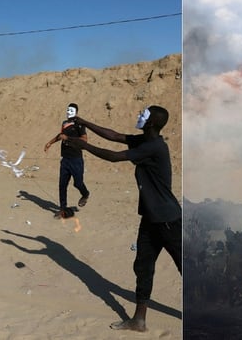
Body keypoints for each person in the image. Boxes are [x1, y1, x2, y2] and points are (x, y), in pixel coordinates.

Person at [68, 105, 181, 332]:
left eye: (143, 114)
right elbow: (115, 136)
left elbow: (113, 156)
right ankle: (139, 320)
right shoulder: (144, 141)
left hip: (167, 220)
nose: (138, 115)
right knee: (142, 266)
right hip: (150, 219)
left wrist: (84, 146)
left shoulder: (154, 147)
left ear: (150, 123)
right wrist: (86, 122)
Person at [44, 103, 90, 218]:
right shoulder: (64, 123)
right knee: (62, 184)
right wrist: (50, 142)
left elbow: (84, 140)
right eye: (67, 110)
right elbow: (60, 136)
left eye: (71, 110)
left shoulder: (79, 124)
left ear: (76, 112)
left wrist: (69, 138)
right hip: (65, 159)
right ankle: (63, 208)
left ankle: (85, 193)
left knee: (78, 183)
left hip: (76, 159)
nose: (68, 112)